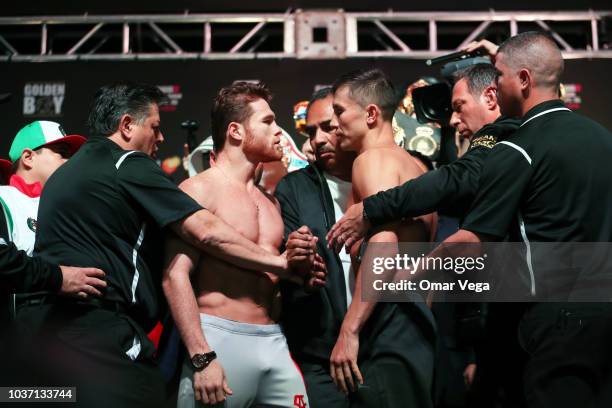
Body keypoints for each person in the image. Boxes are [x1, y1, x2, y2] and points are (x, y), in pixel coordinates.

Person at [12, 82, 310, 408]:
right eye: (155, 127)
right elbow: (205, 231)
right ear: (127, 125)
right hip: (96, 329)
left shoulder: (65, 174)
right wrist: (280, 264)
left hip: (46, 335)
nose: (161, 137)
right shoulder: (126, 163)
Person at [439, 32, 612, 407]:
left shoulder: (518, 147)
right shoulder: (602, 138)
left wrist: (408, 273)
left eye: (498, 76)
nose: (494, 87)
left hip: (557, 319)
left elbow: (472, 240)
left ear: (523, 80)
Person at [164, 81, 324, 408]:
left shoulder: (270, 202)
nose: (279, 131)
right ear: (236, 132)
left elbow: (269, 270)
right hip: (219, 338)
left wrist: (303, 271)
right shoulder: (199, 189)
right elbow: (174, 276)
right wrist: (201, 356)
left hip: (273, 339)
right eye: (267, 122)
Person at [329, 68, 437, 407]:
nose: (335, 123)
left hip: (386, 316)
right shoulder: (417, 167)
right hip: (413, 318)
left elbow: (385, 244)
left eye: (339, 112)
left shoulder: (371, 160)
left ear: (371, 114)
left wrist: (350, 330)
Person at [326, 64, 519, 251]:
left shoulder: (373, 160)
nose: (452, 120)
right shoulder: (414, 166)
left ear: (491, 97)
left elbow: (459, 178)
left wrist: (372, 208)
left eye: (459, 107)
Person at [274, 87, 356, 407]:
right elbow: (290, 274)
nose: (317, 139)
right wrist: (299, 263)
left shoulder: (386, 177)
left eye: (327, 127)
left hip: (381, 348)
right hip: (321, 356)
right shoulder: (294, 188)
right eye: (311, 131)